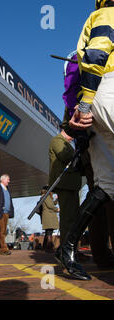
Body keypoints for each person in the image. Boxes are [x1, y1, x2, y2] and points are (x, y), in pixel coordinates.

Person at [56, 0, 114, 280]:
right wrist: (85, 105)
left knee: (107, 185)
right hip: (107, 92)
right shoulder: (108, 13)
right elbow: (97, 53)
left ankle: (66, 247)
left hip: (98, 101)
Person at [49, 129, 82, 246]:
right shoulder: (58, 141)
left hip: (71, 185)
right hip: (65, 184)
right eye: (72, 134)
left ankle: (72, 249)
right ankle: (66, 249)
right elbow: (66, 156)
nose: (73, 137)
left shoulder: (66, 143)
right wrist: (79, 152)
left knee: (73, 218)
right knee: (68, 219)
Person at [0, 174, 15, 256]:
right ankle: (4, 248)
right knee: (1, 231)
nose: (9, 181)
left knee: (3, 231)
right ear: (2, 180)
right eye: (8, 179)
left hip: (6, 213)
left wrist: (11, 212)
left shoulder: (7, 189)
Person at [40, 186, 60, 253]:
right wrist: (57, 209)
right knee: (49, 232)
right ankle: (49, 248)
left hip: (48, 215)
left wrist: (56, 199)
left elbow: (52, 204)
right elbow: (50, 206)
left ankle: (46, 247)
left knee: (48, 232)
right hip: (49, 215)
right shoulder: (46, 196)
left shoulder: (44, 196)